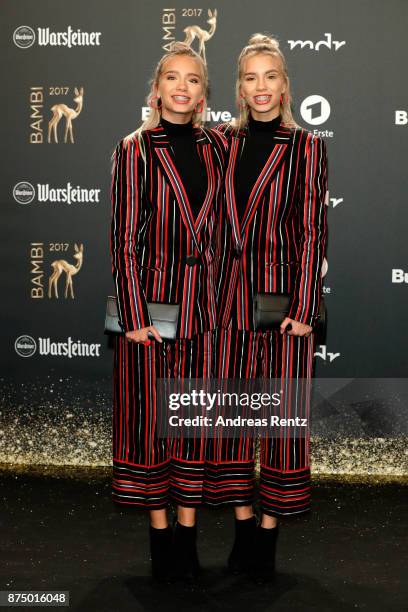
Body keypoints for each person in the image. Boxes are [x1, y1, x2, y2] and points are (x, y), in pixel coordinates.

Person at [210, 33, 329, 583]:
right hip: (224, 305)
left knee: (280, 423)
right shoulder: (218, 143)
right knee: (233, 420)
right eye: (251, 78)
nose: (261, 88)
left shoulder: (306, 146)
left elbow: (310, 232)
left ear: (286, 85)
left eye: (271, 77)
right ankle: (240, 522)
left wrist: (304, 305)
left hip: (284, 305)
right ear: (239, 88)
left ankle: (267, 534)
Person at [109, 42, 227, 583]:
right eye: (173, 78)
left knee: (191, 422)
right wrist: (134, 314)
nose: (183, 87)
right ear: (156, 89)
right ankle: (160, 535)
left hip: (207, 312)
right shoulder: (134, 149)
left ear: (205, 94)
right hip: (152, 312)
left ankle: (187, 530)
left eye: (194, 80)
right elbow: (124, 241)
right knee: (151, 425)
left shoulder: (219, 148)